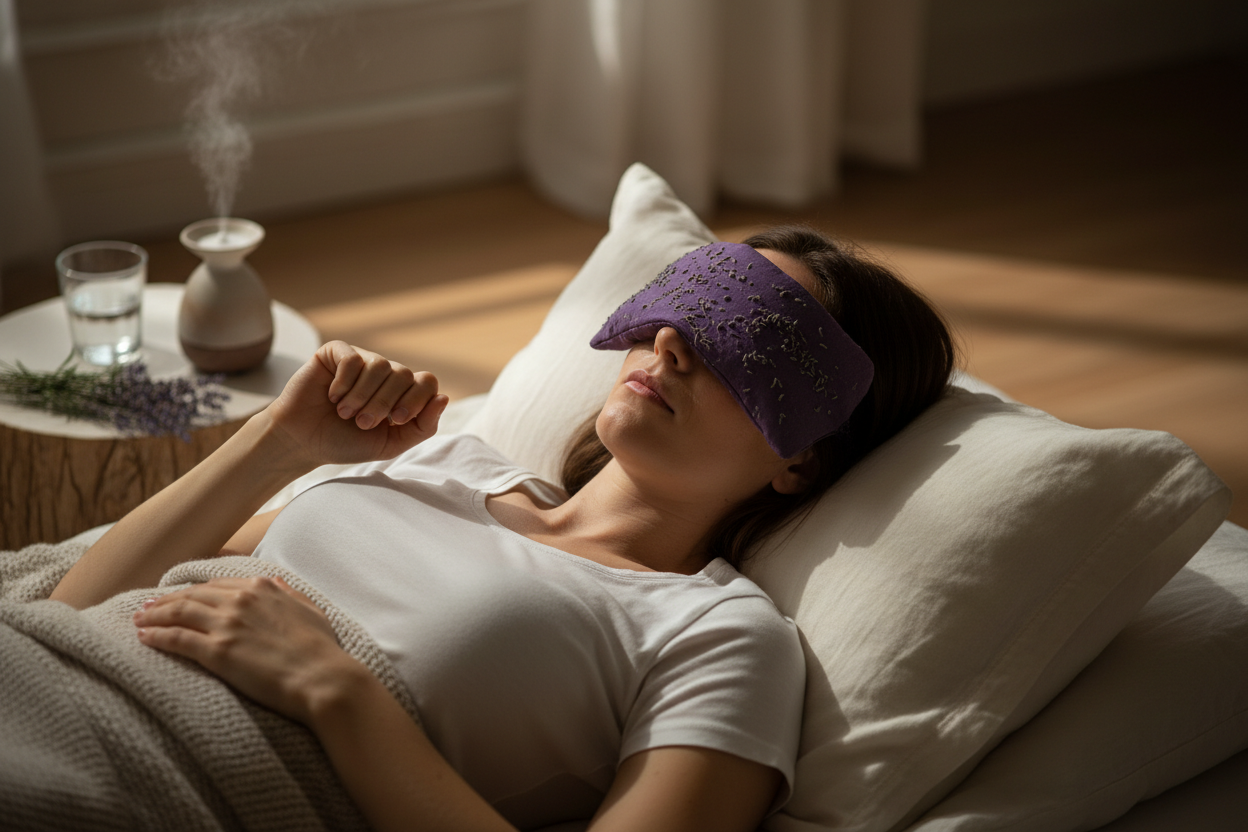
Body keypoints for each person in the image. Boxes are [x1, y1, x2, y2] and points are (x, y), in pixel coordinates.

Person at [49, 226, 955, 832]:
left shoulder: (719, 636)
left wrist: (337, 691)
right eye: (690, 304)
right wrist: (278, 443)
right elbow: (73, 602)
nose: (673, 341)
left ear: (801, 462)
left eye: (742, 341)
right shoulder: (450, 461)